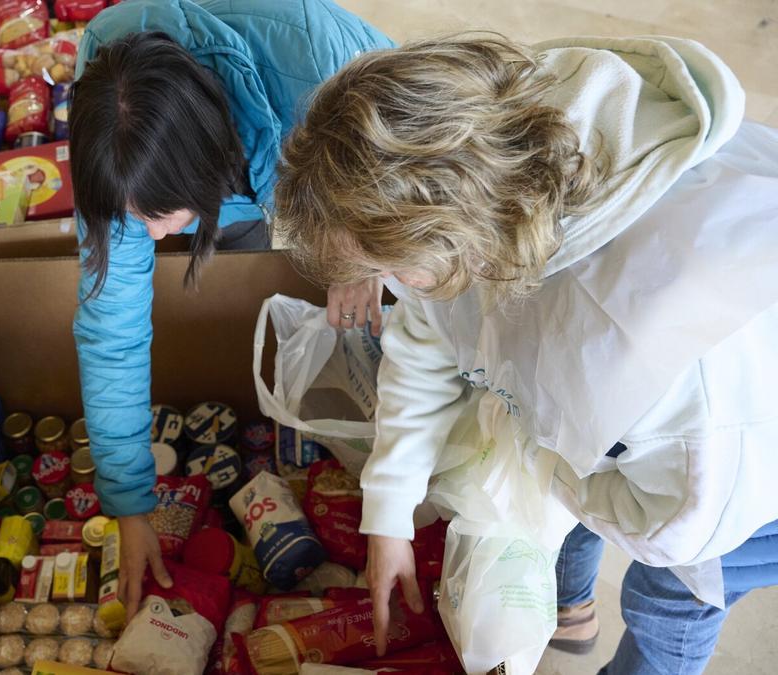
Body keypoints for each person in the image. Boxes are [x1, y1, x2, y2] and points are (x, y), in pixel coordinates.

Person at [275, 34, 778, 673]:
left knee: (668, 603)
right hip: (657, 438)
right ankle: (570, 609)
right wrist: (390, 510)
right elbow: (427, 339)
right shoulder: (490, 151)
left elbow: (675, 527)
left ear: (457, 241)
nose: (396, 286)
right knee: (571, 498)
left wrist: (544, 449)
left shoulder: (653, 341)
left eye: (396, 268)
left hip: (746, 476)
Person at [68, 0, 393, 619]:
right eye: (134, 217)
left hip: (346, 147)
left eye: (160, 215)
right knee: (242, 253)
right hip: (230, 175)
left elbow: (432, 178)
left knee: (375, 283)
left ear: (210, 161)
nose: (156, 238)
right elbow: (111, 326)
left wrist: (361, 257)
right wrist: (130, 504)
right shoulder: (108, 126)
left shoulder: (331, 67)